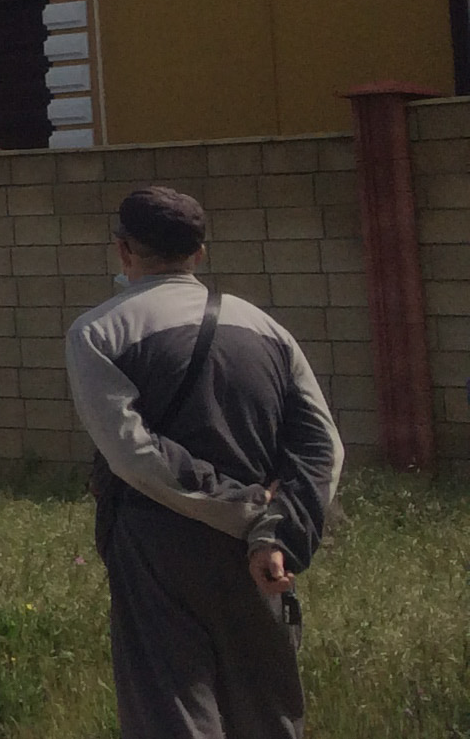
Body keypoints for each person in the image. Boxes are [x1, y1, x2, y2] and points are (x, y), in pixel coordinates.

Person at [67, 185, 341, 739]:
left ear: (123, 249)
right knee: (267, 710)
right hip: (263, 549)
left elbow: (134, 453)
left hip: (157, 543)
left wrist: (241, 511)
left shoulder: (98, 332)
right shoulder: (268, 330)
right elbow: (322, 447)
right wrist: (276, 529)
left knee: (172, 710)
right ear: (200, 252)